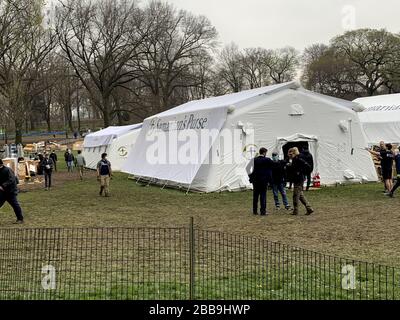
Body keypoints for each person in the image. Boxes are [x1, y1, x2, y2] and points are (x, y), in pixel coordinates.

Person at [287, 147, 314, 216]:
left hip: (299, 179)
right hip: (297, 179)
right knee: (300, 196)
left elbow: (307, 166)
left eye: (290, 154)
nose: (289, 155)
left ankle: (296, 211)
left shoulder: (298, 159)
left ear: (294, 153)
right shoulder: (294, 159)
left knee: (295, 196)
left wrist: (300, 172)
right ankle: (309, 208)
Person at [248, 148, 273, 216]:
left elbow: (247, 168)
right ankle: (263, 211)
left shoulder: (254, 159)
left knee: (255, 196)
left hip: (255, 180)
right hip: (264, 181)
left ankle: (255, 211)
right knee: (263, 196)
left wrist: (251, 177)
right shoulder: (267, 160)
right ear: (264, 153)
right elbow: (273, 166)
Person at [0, 159, 24, 224]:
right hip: (2, 192)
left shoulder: (8, 170)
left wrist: (3, 186)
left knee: (15, 205)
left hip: (11, 191)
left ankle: (20, 219)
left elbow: (12, 180)